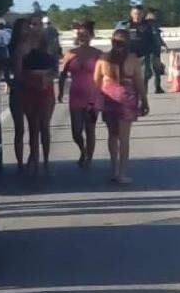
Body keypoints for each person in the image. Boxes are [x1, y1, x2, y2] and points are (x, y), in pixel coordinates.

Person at [94, 29, 149, 184]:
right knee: (124, 138)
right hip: (127, 99)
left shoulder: (103, 58)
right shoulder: (132, 59)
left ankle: (114, 170)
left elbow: (96, 82)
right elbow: (139, 81)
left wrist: (96, 102)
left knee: (112, 135)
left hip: (108, 99)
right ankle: (122, 172)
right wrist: (144, 100)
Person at [58, 20, 102, 169]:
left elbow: (105, 75)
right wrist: (60, 91)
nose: (82, 37)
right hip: (76, 95)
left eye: (85, 34)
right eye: (80, 34)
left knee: (90, 129)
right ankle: (82, 150)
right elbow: (63, 74)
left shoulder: (98, 54)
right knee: (76, 131)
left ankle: (89, 158)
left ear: (91, 35)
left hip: (92, 96)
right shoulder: (70, 54)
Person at [16, 15, 57, 174]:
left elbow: (55, 69)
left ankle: (46, 160)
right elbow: (19, 73)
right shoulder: (22, 47)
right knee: (33, 127)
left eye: (39, 24)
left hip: (46, 88)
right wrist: (30, 80)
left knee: (45, 126)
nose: (36, 27)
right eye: (33, 24)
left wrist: (47, 78)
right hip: (29, 87)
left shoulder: (49, 45)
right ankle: (35, 160)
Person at [116, 5, 158, 93]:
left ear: (143, 15)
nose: (137, 16)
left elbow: (154, 40)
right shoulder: (123, 25)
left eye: (139, 14)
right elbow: (116, 39)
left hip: (143, 55)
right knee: (127, 77)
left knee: (144, 76)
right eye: (135, 14)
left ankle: (143, 95)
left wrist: (155, 53)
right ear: (131, 14)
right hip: (128, 55)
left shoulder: (149, 25)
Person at [7, 18, 30, 170]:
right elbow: (7, 71)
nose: (26, 31)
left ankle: (32, 157)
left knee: (35, 127)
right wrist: (11, 82)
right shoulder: (12, 49)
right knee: (19, 128)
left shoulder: (35, 47)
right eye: (23, 28)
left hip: (32, 89)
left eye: (27, 28)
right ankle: (20, 161)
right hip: (18, 90)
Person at [145, 11, 169, 93]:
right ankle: (157, 88)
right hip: (153, 52)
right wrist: (163, 45)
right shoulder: (152, 28)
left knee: (147, 72)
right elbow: (157, 38)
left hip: (148, 52)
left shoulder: (144, 27)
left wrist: (164, 45)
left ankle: (146, 89)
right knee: (155, 71)